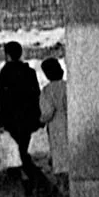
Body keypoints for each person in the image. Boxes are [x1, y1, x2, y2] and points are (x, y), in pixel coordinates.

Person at [0, 38, 52, 197]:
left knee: (17, 155)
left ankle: (37, 184)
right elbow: (36, 96)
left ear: (8, 55)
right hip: (27, 120)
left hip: (12, 121)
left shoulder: (5, 73)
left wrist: (2, 120)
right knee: (21, 152)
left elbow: (4, 99)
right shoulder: (29, 72)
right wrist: (37, 118)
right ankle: (33, 185)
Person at [39, 53, 68, 187]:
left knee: (58, 153)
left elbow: (47, 112)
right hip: (69, 122)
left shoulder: (47, 91)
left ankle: (61, 183)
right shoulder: (68, 87)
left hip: (55, 125)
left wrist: (41, 120)